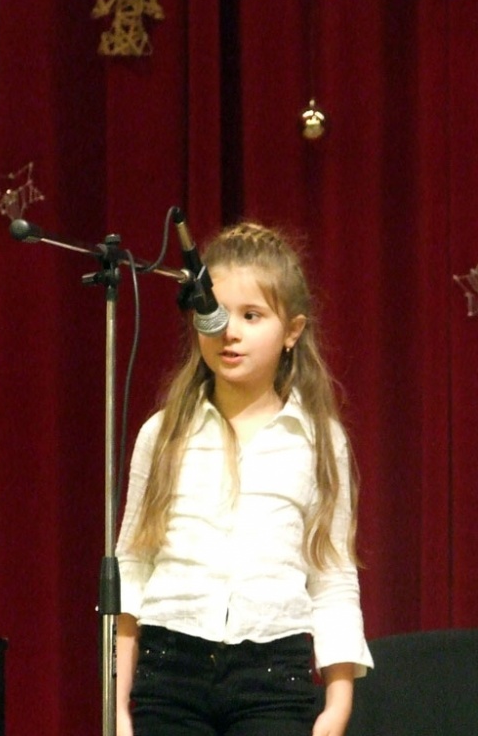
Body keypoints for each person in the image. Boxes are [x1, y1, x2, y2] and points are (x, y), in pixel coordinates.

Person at [115, 221, 373, 736]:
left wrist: (338, 703)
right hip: (170, 672)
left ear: (292, 331)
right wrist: (118, 706)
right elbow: (133, 568)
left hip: (272, 677)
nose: (228, 331)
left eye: (251, 316)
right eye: (215, 311)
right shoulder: (162, 433)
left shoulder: (319, 441)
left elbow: (333, 574)